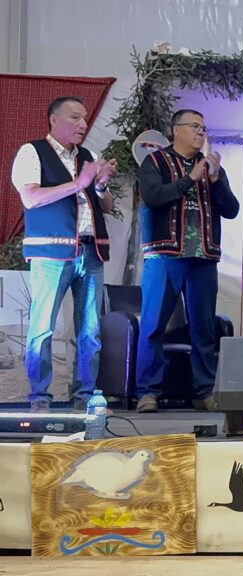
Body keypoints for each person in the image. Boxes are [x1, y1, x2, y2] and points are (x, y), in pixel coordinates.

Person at [11, 96, 116, 412]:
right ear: (54, 120)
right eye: (75, 118)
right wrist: (79, 182)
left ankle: (84, 394)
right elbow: (30, 197)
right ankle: (39, 396)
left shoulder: (88, 156)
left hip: (90, 249)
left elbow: (107, 206)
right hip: (51, 252)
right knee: (42, 326)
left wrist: (99, 186)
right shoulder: (32, 152)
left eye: (85, 119)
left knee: (90, 330)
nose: (83, 124)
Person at [135, 109, 239, 413]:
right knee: (154, 325)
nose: (200, 133)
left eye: (204, 128)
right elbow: (153, 197)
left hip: (203, 257)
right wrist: (188, 180)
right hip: (164, 255)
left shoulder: (211, 168)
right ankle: (147, 391)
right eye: (194, 127)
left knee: (203, 328)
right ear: (176, 130)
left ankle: (204, 391)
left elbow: (231, 209)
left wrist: (217, 180)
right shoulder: (154, 162)